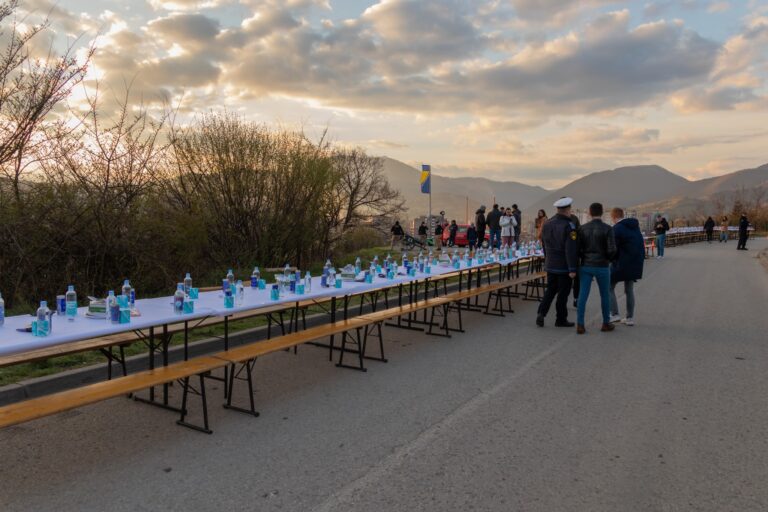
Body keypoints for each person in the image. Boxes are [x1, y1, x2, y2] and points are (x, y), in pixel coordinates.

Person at [536, 197, 579, 328]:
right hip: (564, 266)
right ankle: (560, 319)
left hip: (550, 264)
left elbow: (543, 244)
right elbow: (570, 249)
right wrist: (572, 268)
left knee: (550, 290)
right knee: (563, 294)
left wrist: (547, 259)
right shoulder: (569, 225)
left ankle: (541, 313)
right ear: (568, 210)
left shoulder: (548, 223)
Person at [576, 203, 617, 334]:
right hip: (602, 266)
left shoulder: (582, 229)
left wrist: (583, 258)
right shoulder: (608, 229)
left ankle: (580, 325)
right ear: (602, 213)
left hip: (586, 265)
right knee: (605, 295)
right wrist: (608, 259)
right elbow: (612, 250)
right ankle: (606, 323)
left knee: (583, 295)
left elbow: (578, 249)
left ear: (589, 213)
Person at [608, 208, 644, 326]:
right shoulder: (635, 227)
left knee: (609, 287)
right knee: (629, 290)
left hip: (621, 263)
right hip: (634, 263)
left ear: (613, 217)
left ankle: (614, 314)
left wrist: (611, 261)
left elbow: (613, 248)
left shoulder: (616, 228)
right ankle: (629, 318)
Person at [569, 211, 581, 308]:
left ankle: (576, 298)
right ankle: (576, 299)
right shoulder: (574, 219)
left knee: (573, 279)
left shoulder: (554, 220)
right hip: (574, 254)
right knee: (576, 278)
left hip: (566, 255)